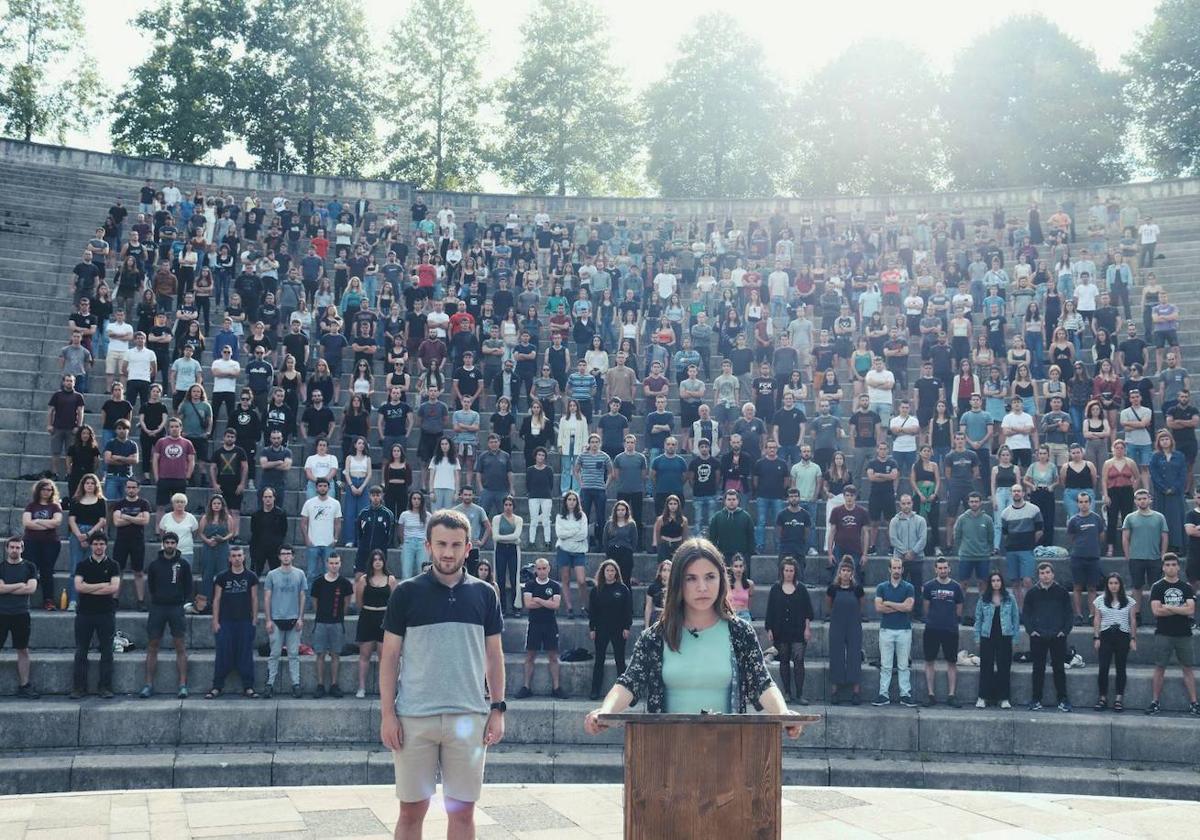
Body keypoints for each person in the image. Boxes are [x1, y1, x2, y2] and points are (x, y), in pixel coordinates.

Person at [585, 539, 804, 734]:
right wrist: (605, 712)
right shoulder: (655, 636)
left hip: (726, 753)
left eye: (710, 577)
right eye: (691, 578)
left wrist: (784, 714)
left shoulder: (740, 633)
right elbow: (629, 682)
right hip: (667, 755)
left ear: (721, 580)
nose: (702, 587)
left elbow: (762, 683)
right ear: (678, 583)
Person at [378, 509, 505, 840]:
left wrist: (498, 709)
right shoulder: (405, 593)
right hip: (414, 719)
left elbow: (495, 655)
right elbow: (390, 657)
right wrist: (387, 715)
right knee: (411, 811)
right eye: (441, 544)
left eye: (456, 545)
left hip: (469, 718)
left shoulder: (485, 594)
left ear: (468, 548)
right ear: (428, 547)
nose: (448, 552)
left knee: (462, 813)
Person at [1146, 553, 1199, 716]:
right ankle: (1155, 702)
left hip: (1184, 634)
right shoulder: (1157, 587)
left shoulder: (1186, 587)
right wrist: (1180, 609)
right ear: (1163, 567)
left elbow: (1191, 610)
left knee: (1188, 668)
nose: (1170, 567)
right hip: (1164, 634)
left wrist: (1168, 607)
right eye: (1167, 565)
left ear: (1178, 567)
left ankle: (1194, 703)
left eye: (1173, 565)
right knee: (1160, 668)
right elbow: (1156, 611)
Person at [140, 533, 191, 699]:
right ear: (163, 544)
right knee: (153, 645)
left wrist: (180, 600)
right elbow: (152, 587)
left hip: (176, 608)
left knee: (180, 645)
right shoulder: (154, 565)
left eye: (173, 542)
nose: (170, 545)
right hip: (158, 608)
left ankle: (182, 685)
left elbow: (188, 586)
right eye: (167, 542)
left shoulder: (183, 564)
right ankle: (148, 684)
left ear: (176, 544)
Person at [206, 546, 259, 699]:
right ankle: (217, 687)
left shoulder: (251, 576)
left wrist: (254, 619)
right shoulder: (222, 577)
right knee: (223, 654)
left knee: (246, 654)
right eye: (234, 555)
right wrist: (215, 621)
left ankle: (248, 687)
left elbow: (254, 598)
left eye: (239, 555)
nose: (237, 558)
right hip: (225, 621)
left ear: (244, 557)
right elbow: (216, 599)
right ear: (229, 558)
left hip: (245, 621)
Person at [71, 534, 119, 699]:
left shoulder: (113, 565)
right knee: (81, 651)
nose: (99, 547)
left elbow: (113, 588)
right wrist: (101, 585)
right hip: (84, 613)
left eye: (101, 544)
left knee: (107, 651)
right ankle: (79, 688)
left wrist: (89, 587)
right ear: (91, 546)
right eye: (96, 544)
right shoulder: (82, 565)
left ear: (106, 546)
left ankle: (105, 687)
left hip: (105, 613)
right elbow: (78, 587)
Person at [1022, 562, 1073, 712]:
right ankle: (1036, 699)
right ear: (1039, 575)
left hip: (1058, 636)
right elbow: (1026, 614)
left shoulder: (1062, 592)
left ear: (1053, 574)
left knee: (1059, 668)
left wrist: (1064, 630)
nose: (1045, 575)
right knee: (1038, 669)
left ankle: (1063, 699)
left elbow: (1069, 614)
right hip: (1038, 636)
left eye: (1048, 572)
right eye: (1042, 573)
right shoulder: (1032, 593)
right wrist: (1031, 631)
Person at [765, 557, 814, 705]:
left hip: (798, 631)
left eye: (791, 570)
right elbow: (770, 612)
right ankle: (786, 692)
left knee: (799, 661)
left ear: (795, 572)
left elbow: (808, 612)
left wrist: (807, 629)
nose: (788, 573)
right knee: (784, 662)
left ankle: (799, 694)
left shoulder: (802, 589)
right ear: (782, 571)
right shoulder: (775, 589)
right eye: (786, 570)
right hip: (781, 631)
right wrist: (769, 630)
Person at [872, 557, 917, 707]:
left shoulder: (909, 587)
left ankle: (905, 694)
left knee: (904, 665)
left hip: (904, 631)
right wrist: (900, 606)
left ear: (902, 569)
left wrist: (889, 603)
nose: (897, 571)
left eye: (899, 568)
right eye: (894, 568)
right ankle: (883, 694)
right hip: (886, 630)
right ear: (889, 569)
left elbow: (908, 608)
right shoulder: (881, 587)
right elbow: (879, 608)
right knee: (886, 665)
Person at [263, 545, 307, 699]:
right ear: (279, 556)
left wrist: (301, 617)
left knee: (293, 654)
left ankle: (296, 684)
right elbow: (267, 597)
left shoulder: (300, 574)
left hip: (294, 619)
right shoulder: (271, 575)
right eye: (283, 554)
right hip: (276, 619)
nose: (286, 556)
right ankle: (269, 684)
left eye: (289, 554)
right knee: (274, 654)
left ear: (293, 556)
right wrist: (268, 619)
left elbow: (302, 596)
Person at [310, 554, 354, 698]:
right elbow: (315, 602)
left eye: (336, 563)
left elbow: (347, 603)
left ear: (340, 564)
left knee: (336, 654)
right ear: (327, 564)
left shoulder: (345, 583)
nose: (334, 565)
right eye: (331, 563)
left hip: (337, 623)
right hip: (321, 622)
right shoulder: (318, 582)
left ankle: (334, 684)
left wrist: (340, 615)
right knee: (320, 654)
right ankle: (320, 685)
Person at [921, 558, 964, 706]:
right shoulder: (928, 586)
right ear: (935, 569)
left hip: (950, 629)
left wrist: (952, 621)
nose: (943, 570)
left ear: (949, 569)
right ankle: (930, 694)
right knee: (929, 661)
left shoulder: (956, 587)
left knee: (951, 662)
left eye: (945, 568)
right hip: (932, 629)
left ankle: (951, 695)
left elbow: (959, 608)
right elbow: (926, 607)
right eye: (940, 568)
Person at [588, 559, 633, 701]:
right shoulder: (596, 590)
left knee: (620, 660)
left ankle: (624, 692)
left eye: (612, 571)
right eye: (607, 570)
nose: (610, 573)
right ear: (603, 572)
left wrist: (627, 627)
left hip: (618, 629)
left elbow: (628, 610)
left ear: (616, 573)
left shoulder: (622, 589)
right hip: (601, 629)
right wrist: (592, 628)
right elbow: (592, 611)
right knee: (599, 660)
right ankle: (595, 690)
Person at [0, 536, 39, 698]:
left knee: (22, 650)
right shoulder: (1, 567)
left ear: (22, 549)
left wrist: (7, 588)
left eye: (18, 547)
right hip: (2, 613)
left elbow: (31, 589)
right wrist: (19, 585)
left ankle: (24, 686)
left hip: (21, 614)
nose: (14, 550)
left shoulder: (30, 567)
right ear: (6, 549)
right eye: (12, 547)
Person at [974, 571, 1019, 709]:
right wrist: (977, 636)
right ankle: (983, 697)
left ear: (1002, 582)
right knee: (986, 667)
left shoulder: (1010, 598)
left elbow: (1015, 618)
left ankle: (1004, 698)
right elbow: (978, 618)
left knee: (1004, 667)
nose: (996, 583)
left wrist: (1015, 637)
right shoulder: (983, 599)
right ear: (990, 583)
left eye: (998, 580)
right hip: (987, 636)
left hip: (1004, 636)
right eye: (993, 581)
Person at [355, 550, 396, 699]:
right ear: (371, 562)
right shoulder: (363, 580)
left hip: (384, 619)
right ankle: (361, 687)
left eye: (380, 559)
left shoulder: (390, 579)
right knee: (364, 655)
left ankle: (383, 688)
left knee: (383, 656)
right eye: (375, 559)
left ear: (384, 561)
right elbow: (359, 601)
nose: (377, 562)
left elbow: (394, 602)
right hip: (367, 616)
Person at [1093, 572, 1136, 713]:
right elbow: (1097, 619)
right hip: (1106, 635)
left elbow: (1133, 620)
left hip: (1122, 635)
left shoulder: (1129, 601)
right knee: (1103, 668)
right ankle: (1102, 698)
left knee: (1121, 667)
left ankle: (1118, 698)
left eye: (1116, 583)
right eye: (1111, 583)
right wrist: (1096, 637)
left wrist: (1133, 638)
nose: (1113, 586)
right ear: (1107, 585)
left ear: (1120, 585)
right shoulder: (1100, 600)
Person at [1122, 488, 1169, 609]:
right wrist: (1128, 555)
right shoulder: (1129, 518)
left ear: (1150, 500)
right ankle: (1136, 613)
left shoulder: (1160, 517)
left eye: (1144, 498)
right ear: (1135, 501)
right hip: (1136, 558)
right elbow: (1125, 538)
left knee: (1156, 586)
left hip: (1154, 557)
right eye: (1139, 499)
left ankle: (1157, 612)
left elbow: (1164, 537)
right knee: (1137, 586)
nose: (1142, 501)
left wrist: (1163, 554)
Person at [1066, 491, 1106, 625]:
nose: (1083, 504)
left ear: (1090, 503)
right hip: (1077, 558)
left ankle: (1092, 615)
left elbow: (1101, 536)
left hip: (1093, 558)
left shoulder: (1096, 518)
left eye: (1086, 502)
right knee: (1077, 587)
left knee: (1092, 588)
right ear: (1077, 503)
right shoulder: (1073, 520)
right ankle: (1078, 615)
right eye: (1081, 502)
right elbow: (1071, 538)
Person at [1000, 484, 1043, 607]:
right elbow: (1005, 533)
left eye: (1019, 491)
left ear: (1023, 493)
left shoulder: (1034, 509)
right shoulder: (1005, 513)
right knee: (1015, 583)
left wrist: (1029, 543)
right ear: (1011, 493)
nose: (1016, 493)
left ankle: (1030, 607)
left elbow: (1040, 530)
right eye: (1014, 491)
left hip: (1027, 550)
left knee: (1028, 581)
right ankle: (1020, 611)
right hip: (1011, 551)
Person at [889, 494, 928, 618]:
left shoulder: (920, 520)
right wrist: (905, 552)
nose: (906, 506)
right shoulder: (894, 521)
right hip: (900, 561)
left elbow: (923, 539)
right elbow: (893, 539)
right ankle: (899, 611)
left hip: (917, 559)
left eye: (908, 503)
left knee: (917, 587)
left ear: (912, 503)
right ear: (900, 504)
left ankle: (918, 613)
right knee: (899, 586)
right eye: (903, 503)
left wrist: (913, 552)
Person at [300, 478, 342, 586]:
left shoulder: (335, 503)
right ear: (316, 487)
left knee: (329, 575)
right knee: (311, 575)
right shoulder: (309, 503)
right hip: (313, 544)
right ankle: (309, 603)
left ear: (328, 487)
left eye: (325, 486)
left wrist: (335, 539)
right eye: (320, 486)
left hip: (329, 544)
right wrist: (307, 539)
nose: (322, 488)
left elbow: (337, 523)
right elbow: (303, 523)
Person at [553, 490, 589, 618]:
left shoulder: (582, 516)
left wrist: (568, 533)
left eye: (574, 500)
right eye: (569, 499)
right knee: (566, 579)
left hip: (579, 551)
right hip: (563, 550)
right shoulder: (559, 517)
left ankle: (585, 606)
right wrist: (574, 532)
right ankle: (569, 608)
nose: (572, 502)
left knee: (581, 580)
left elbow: (583, 534)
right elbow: (560, 534)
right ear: (565, 501)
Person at [490, 496, 523, 615]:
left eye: (510, 505)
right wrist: (513, 539)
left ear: (513, 506)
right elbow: (495, 537)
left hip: (513, 550)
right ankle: (502, 607)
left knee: (515, 578)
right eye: (506, 505)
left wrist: (503, 538)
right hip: (500, 550)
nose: (508, 507)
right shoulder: (497, 519)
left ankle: (516, 607)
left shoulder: (518, 519)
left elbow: (516, 535)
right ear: (503, 506)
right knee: (501, 578)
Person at [708, 489, 755, 567]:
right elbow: (712, 538)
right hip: (723, 556)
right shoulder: (717, 517)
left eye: (734, 499)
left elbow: (751, 537)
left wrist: (749, 554)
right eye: (729, 499)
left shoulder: (746, 517)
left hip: (742, 556)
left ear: (738, 501)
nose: (731, 501)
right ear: (725, 501)